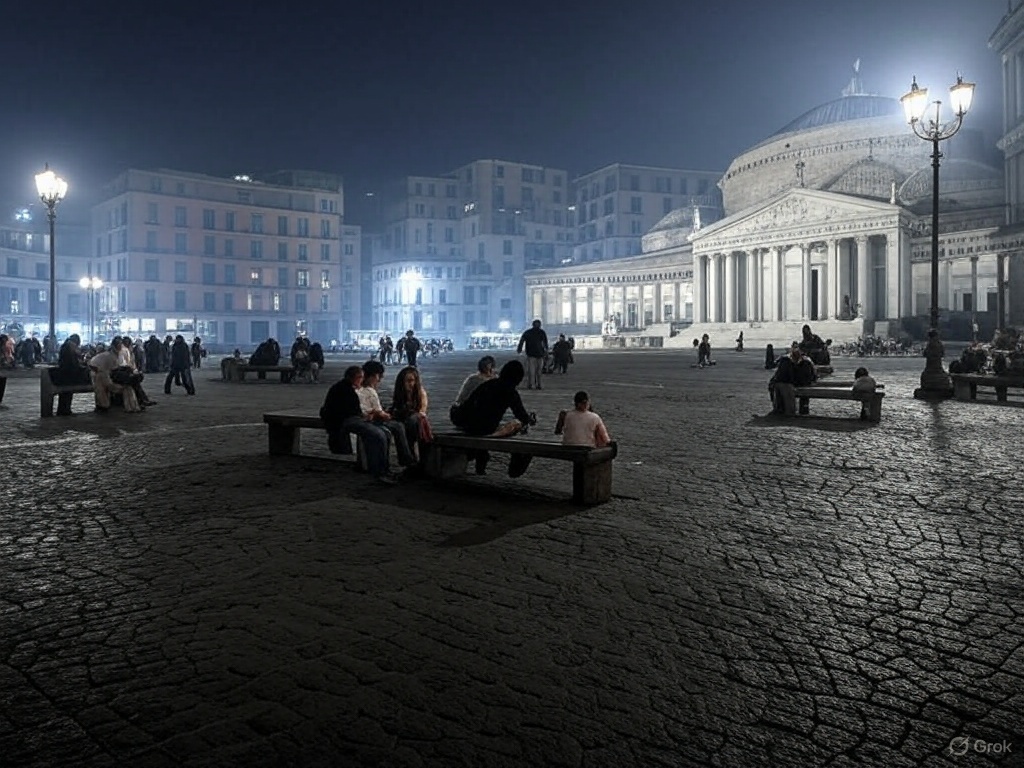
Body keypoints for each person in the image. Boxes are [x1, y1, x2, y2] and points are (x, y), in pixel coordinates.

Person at [450, 360, 537, 476]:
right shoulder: (510, 392)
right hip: (487, 428)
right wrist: (530, 420)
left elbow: (468, 405)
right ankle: (516, 461)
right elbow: (521, 415)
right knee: (516, 424)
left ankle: (480, 462)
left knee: (483, 426)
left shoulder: (488, 384)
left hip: (468, 424)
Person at [319, 365, 394, 484]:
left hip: (350, 419)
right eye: (361, 378)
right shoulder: (344, 389)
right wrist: (367, 416)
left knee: (384, 433)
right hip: (343, 421)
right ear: (355, 378)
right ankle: (378, 470)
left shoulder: (348, 388)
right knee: (377, 435)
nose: (362, 380)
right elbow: (347, 412)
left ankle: (383, 467)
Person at [359, 361, 417, 468]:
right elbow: (378, 412)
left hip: (363, 417)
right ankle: (406, 459)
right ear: (374, 375)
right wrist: (388, 415)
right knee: (398, 426)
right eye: (379, 376)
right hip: (368, 420)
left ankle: (406, 458)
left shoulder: (359, 388)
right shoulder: (370, 391)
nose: (380, 380)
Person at [388, 366, 430, 469]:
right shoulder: (400, 393)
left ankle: (413, 461)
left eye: (411, 380)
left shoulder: (420, 393)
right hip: (403, 419)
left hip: (415, 420)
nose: (409, 384)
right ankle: (409, 460)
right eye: (406, 381)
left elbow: (422, 411)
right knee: (402, 427)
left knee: (412, 422)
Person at [769, 342, 817, 415]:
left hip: (785, 382)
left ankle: (779, 408)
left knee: (779, 387)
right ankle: (803, 408)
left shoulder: (786, 359)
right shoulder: (805, 361)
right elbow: (812, 376)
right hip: (796, 382)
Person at [50, 334, 92, 415]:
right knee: (67, 393)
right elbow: (72, 364)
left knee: (66, 395)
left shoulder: (66, 346)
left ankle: (63, 410)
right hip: (68, 376)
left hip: (64, 375)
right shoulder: (69, 347)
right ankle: (64, 410)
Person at [517, 319, 548, 390]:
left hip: (532, 354)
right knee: (538, 371)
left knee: (532, 371)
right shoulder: (541, 332)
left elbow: (522, 340)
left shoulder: (528, 332)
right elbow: (545, 343)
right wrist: (546, 351)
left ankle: (531, 384)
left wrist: (519, 348)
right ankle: (538, 384)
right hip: (539, 354)